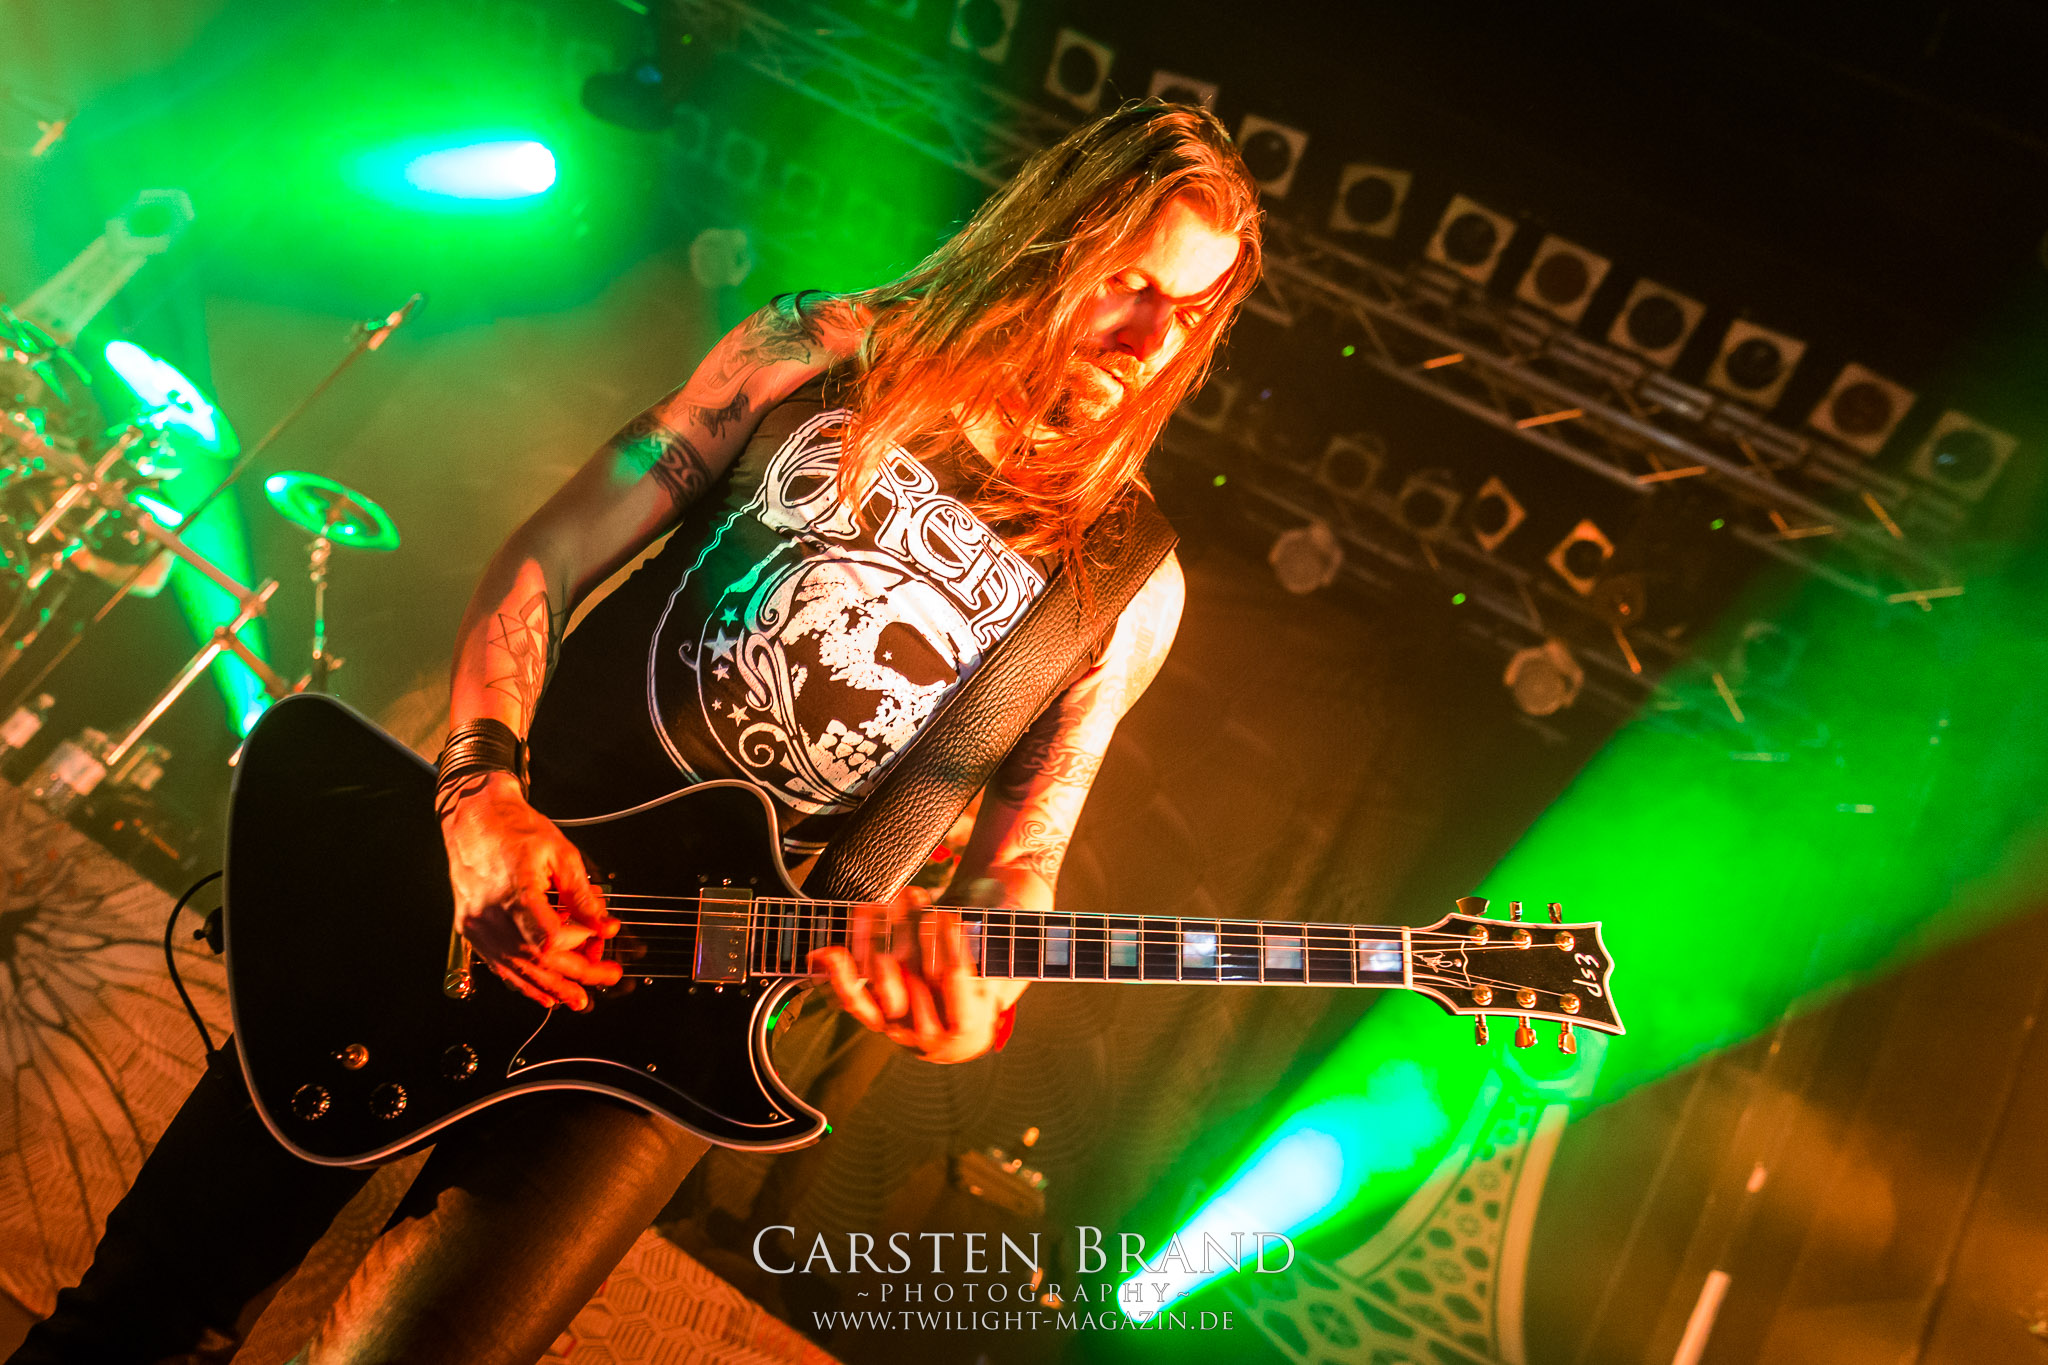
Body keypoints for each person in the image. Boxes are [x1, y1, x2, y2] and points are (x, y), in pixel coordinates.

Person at [9, 100, 1262, 1365]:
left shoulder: (1127, 577)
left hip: (682, 1024)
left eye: (1192, 311)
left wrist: (976, 987)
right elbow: (550, 552)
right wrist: (479, 801)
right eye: (1129, 282)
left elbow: (1022, 861)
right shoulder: (818, 349)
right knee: (140, 1321)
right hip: (479, 877)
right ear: (1048, 239)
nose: (1150, 336)